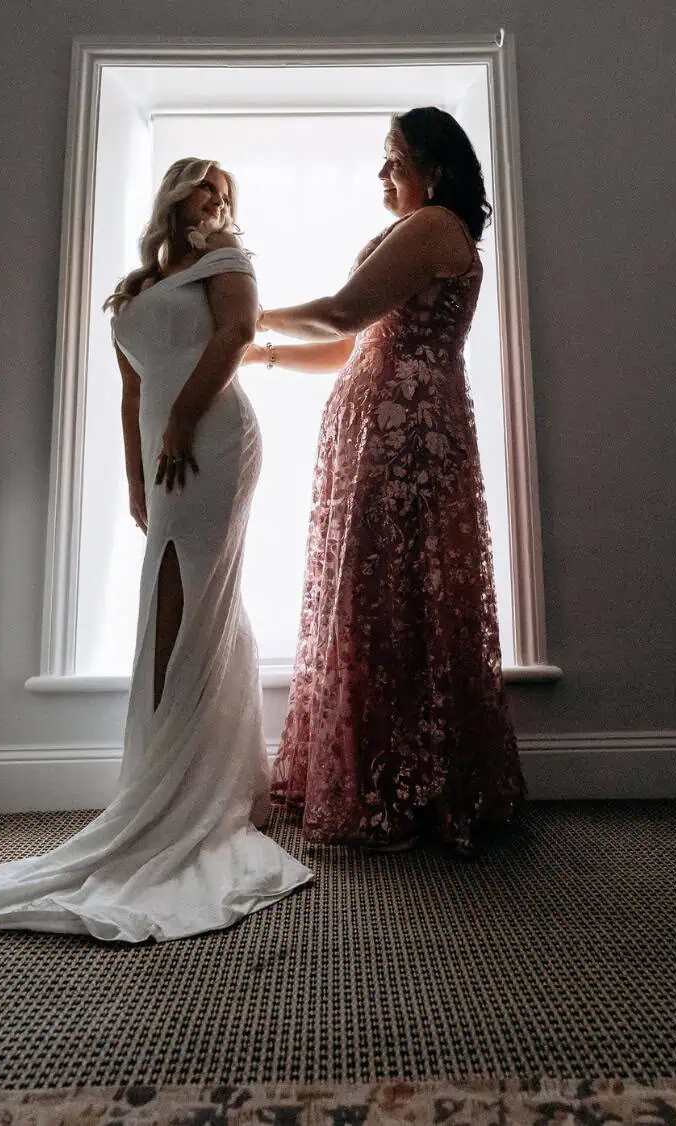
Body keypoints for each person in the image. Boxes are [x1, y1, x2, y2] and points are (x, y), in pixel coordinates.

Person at [0, 158, 312, 940]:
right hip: (161, 448)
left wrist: (183, 420)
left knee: (193, 601)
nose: (214, 200)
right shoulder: (134, 288)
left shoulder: (229, 263)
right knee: (173, 602)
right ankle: (188, 776)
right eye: (201, 185)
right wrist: (131, 474)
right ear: (171, 194)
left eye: (225, 192)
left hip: (213, 436)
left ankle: (187, 792)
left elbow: (239, 333)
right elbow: (127, 389)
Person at [245, 108, 526, 852]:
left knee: (396, 600)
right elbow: (348, 345)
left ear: (431, 170)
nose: (381, 174)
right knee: (374, 599)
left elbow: (343, 309)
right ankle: (384, 779)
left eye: (391, 159)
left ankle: (409, 789)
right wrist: (262, 354)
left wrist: (244, 314)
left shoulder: (435, 226)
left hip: (404, 442)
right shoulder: (420, 232)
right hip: (379, 431)